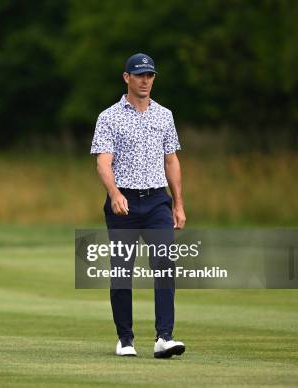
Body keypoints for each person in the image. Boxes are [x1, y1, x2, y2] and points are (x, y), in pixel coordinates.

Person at [90, 53, 186, 358]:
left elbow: (171, 160)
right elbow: (103, 162)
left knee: (164, 265)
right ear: (126, 77)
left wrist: (179, 204)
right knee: (122, 272)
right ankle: (125, 340)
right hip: (124, 204)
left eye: (150, 75)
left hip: (158, 200)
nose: (146, 80)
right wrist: (114, 192)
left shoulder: (164, 115)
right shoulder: (109, 117)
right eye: (139, 75)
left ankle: (164, 337)